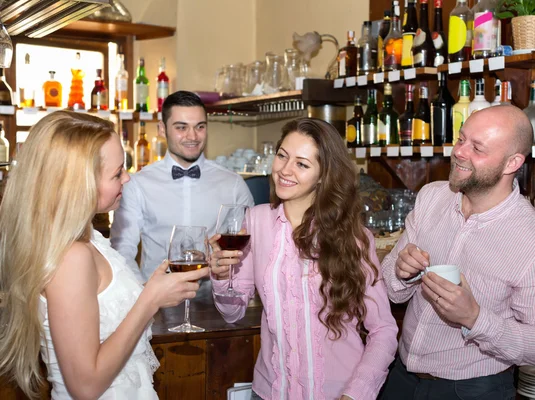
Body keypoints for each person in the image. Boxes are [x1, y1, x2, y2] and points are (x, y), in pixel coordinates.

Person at [0, 111, 208, 399]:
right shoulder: (71, 257)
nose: (127, 178)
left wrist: (155, 290)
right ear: (78, 183)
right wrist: (150, 300)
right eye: (117, 172)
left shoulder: (88, 238)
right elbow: (85, 386)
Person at [379, 105, 535, 400]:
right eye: (461, 139)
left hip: (472, 389)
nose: (459, 152)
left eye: (477, 148)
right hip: (402, 377)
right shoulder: (433, 197)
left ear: (512, 163)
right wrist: (400, 270)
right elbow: (393, 292)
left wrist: (475, 318)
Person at [209, 118, 398, 400]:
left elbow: (383, 330)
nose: (285, 170)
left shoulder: (354, 237)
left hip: (338, 393)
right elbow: (232, 312)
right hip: (270, 392)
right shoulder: (255, 221)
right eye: (282, 156)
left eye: (302, 164)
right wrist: (223, 276)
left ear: (324, 175)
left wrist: (356, 393)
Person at [111, 90, 254, 282]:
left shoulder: (234, 184)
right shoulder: (137, 184)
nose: (192, 136)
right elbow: (122, 252)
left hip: (215, 299)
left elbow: (248, 250)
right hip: (157, 301)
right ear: (162, 129)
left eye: (200, 127)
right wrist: (143, 297)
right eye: (181, 127)